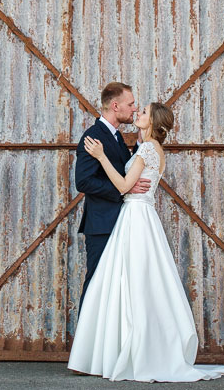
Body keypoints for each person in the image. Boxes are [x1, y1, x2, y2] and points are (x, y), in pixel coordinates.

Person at [68, 101, 224, 382]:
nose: (138, 113)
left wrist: (101, 157)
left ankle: (123, 350)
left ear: (153, 122)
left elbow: (125, 187)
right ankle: (127, 348)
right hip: (140, 216)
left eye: (144, 112)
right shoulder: (148, 149)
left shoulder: (147, 150)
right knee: (136, 283)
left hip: (135, 216)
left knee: (129, 283)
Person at [74, 82, 152, 308]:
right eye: (131, 104)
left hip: (121, 222)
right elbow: (84, 181)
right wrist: (122, 190)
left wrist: (138, 144)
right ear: (115, 106)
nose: (135, 109)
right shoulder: (93, 137)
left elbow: (124, 169)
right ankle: (85, 342)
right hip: (102, 224)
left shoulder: (117, 137)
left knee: (119, 286)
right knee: (97, 283)